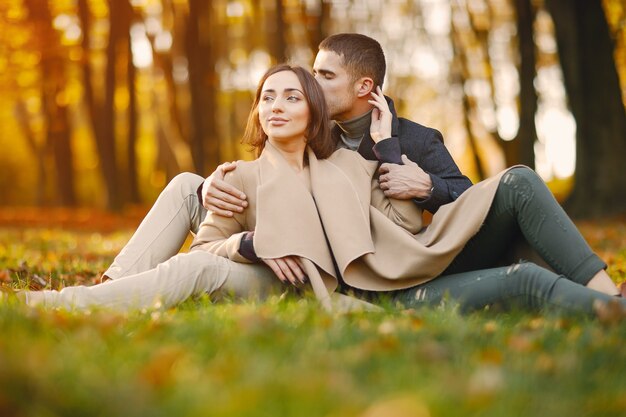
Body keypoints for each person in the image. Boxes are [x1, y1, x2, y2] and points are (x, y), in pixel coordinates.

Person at [7, 64, 624, 318]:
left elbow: (408, 233)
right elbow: (212, 247)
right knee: (193, 268)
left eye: (293, 93)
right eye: (267, 95)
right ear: (257, 111)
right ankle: (68, 307)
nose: (277, 104)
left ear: (315, 110)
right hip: (282, 283)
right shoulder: (239, 177)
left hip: (381, 288)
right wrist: (248, 244)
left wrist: (384, 149)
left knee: (531, 284)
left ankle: (612, 311)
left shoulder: (352, 166)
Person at [98, 32, 473, 288]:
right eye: (312, 74)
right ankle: (114, 285)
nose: (310, 86)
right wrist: (215, 184)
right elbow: (270, 177)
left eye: (324, 76)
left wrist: (427, 186)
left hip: (343, 258)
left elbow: (466, 196)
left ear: (364, 87)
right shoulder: (314, 126)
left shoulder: (415, 139)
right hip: (272, 232)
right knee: (186, 186)